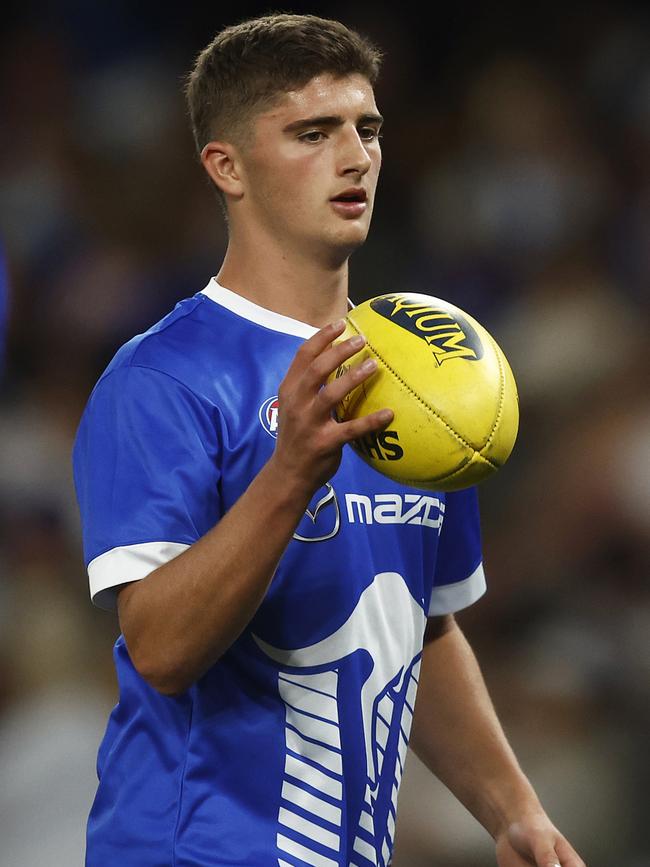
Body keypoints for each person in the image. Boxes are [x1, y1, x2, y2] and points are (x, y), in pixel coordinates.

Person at [72, 12, 586, 867]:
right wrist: (291, 473)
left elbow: (423, 625)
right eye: (313, 132)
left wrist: (512, 809)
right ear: (225, 166)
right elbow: (158, 647)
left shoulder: (426, 380)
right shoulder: (163, 377)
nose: (356, 156)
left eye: (368, 128)